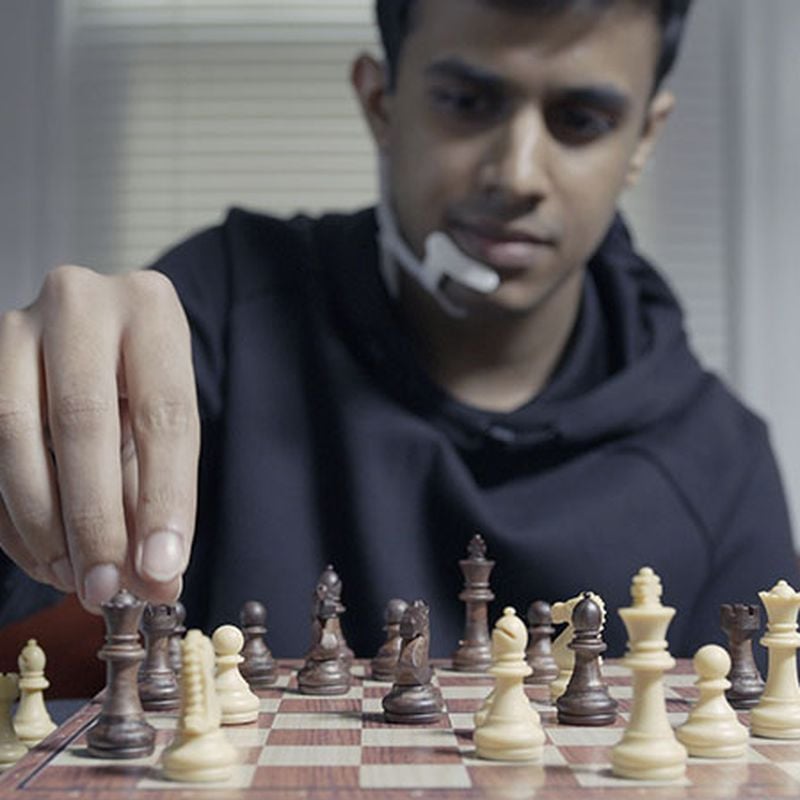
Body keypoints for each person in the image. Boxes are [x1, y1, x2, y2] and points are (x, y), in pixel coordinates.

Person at [0, 0, 796, 660]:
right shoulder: (221, 307)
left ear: (643, 140)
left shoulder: (723, 467)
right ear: (381, 103)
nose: (517, 173)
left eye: (580, 119)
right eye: (467, 101)